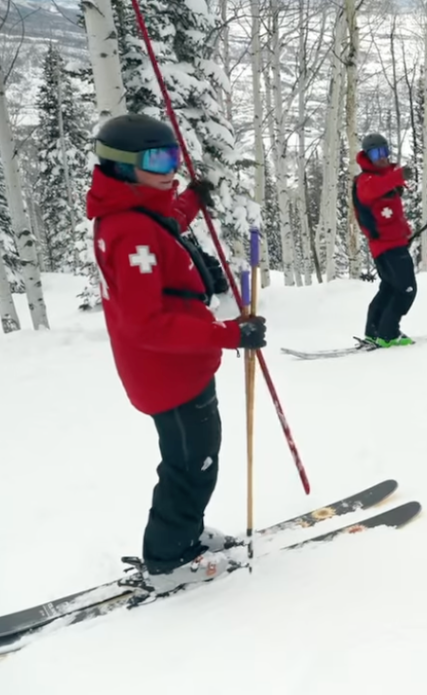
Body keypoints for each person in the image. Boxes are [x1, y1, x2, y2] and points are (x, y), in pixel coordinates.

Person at [86, 113, 268, 593]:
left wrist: (191, 201)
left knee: (195, 458)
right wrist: (230, 335)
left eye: (174, 156)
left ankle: (184, 532)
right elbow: (147, 322)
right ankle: (169, 556)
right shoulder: (130, 232)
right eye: (158, 158)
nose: (171, 167)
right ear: (124, 167)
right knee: (191, 465)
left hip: (174, 367)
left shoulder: (131, 212)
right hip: (170, 374)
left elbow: (161, 228)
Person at [352, 133, 418, 347]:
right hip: (386, 247)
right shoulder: (366, 180)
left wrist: (405, 232)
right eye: (376, 153)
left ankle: (373, 331)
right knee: (406, 289)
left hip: (392, 244)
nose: (381, 157)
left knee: (389, 288)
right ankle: (388, 333)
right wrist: (398, 176)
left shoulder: (383, 179)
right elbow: (373, 190)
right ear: (367, 156)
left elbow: (392, 214)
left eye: (384, 152)